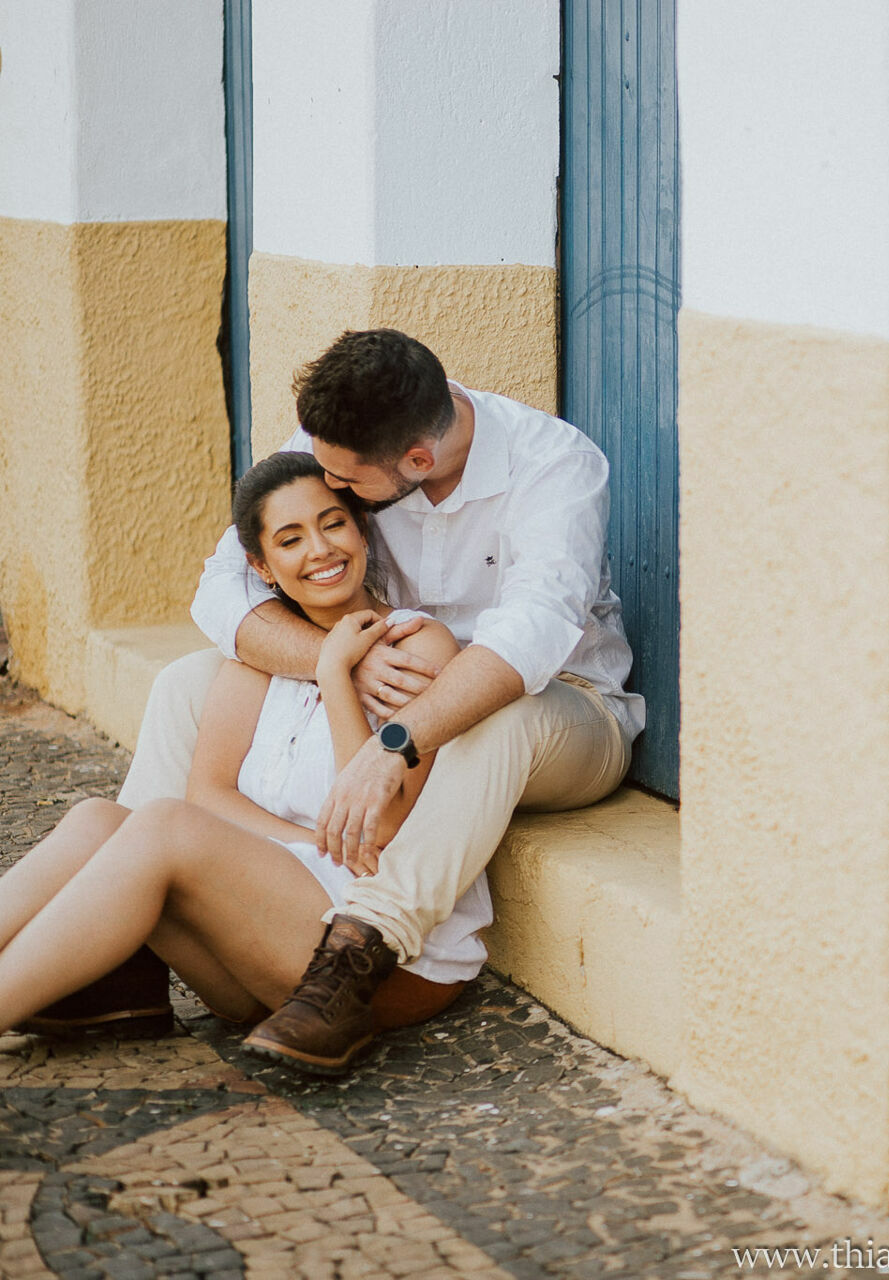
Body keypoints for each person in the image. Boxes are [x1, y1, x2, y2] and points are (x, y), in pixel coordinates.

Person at [114, 329, 640, 1073]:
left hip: (566, 711)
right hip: (393, 676)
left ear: (417, 463)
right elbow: (223, 583)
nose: (334, 493)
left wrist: (396, 744)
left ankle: (357, 955)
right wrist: (340, 666)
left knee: (496, 718)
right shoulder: (347, 439)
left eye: (346, 490)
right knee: (189, 679)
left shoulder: (555, 464)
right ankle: (125, 939)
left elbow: (531, 635)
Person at [0, 454, 486, 1070]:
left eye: (333, 523)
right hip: (266, 933)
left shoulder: (417, 646)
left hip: (381, 961)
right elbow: (209, 795)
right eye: (290, 539)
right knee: (98, 817)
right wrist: (302, 841)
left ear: (361, 530)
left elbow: (380, 827)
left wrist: (338, 674)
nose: (319, 549)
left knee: (161, 823)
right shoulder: (260, 653)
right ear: (262, 566)